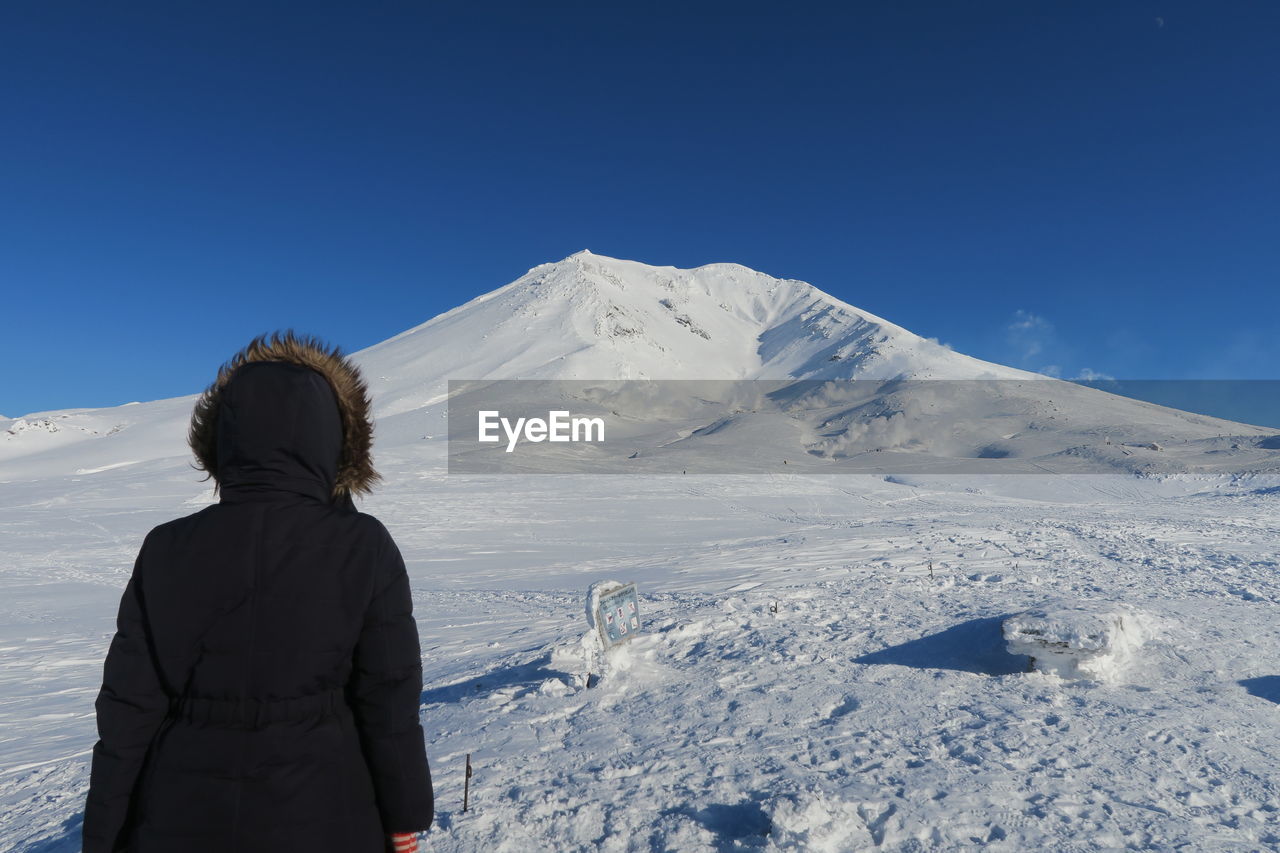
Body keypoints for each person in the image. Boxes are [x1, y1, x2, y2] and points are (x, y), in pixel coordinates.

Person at [83, 332, 434, 853]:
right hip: (327, 813)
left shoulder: (166, 547)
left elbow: (128, 710)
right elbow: (388, 700)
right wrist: (404, 814)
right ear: (338, 441)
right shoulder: (363, 546)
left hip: (178, 815)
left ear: (223, 438)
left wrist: (104, 833)